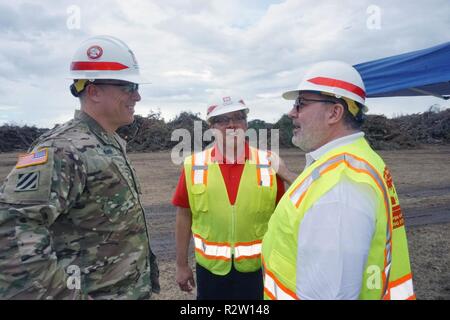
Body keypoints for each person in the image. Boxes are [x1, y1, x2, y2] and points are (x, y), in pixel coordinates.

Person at [0, 35, 159, 299]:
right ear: (94, 91)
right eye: (129, 86)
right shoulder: (62, 149)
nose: (137, 96)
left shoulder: (107, 143)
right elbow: (9, 235)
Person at [262, 61, 415, 300]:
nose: (292, 112)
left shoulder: (340, 189)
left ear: (334, 112)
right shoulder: (350, 161)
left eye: (301, 104)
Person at [173, 96, 285, 300]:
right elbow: (184, 216)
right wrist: (181, 265)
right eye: (223, 120)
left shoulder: (269, 163)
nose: (231, 124)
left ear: (246, 123)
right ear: (211, 127)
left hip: (258, 270)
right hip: (210, 271)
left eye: (238, 118)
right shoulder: (194, 165)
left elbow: (284, 218)